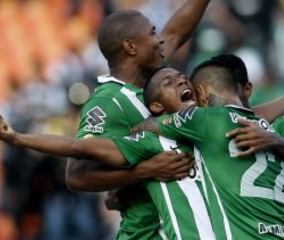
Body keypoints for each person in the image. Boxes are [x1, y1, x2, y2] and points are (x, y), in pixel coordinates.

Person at [0, 55, 284, 239]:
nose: (182, 83)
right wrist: (17, 138)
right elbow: (81, 149)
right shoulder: (153, 142)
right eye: (170, 83)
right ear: (157, 105)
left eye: (183, 79)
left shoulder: (208, 126)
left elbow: (236, 116)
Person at [69, 1, 212, 239]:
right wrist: (142, 172)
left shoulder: (156, 82)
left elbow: (177, 31)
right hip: (145, 234)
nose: (159, 40)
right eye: (152, 34)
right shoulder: (107, 102)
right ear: (130, 47)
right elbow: (76, 175)